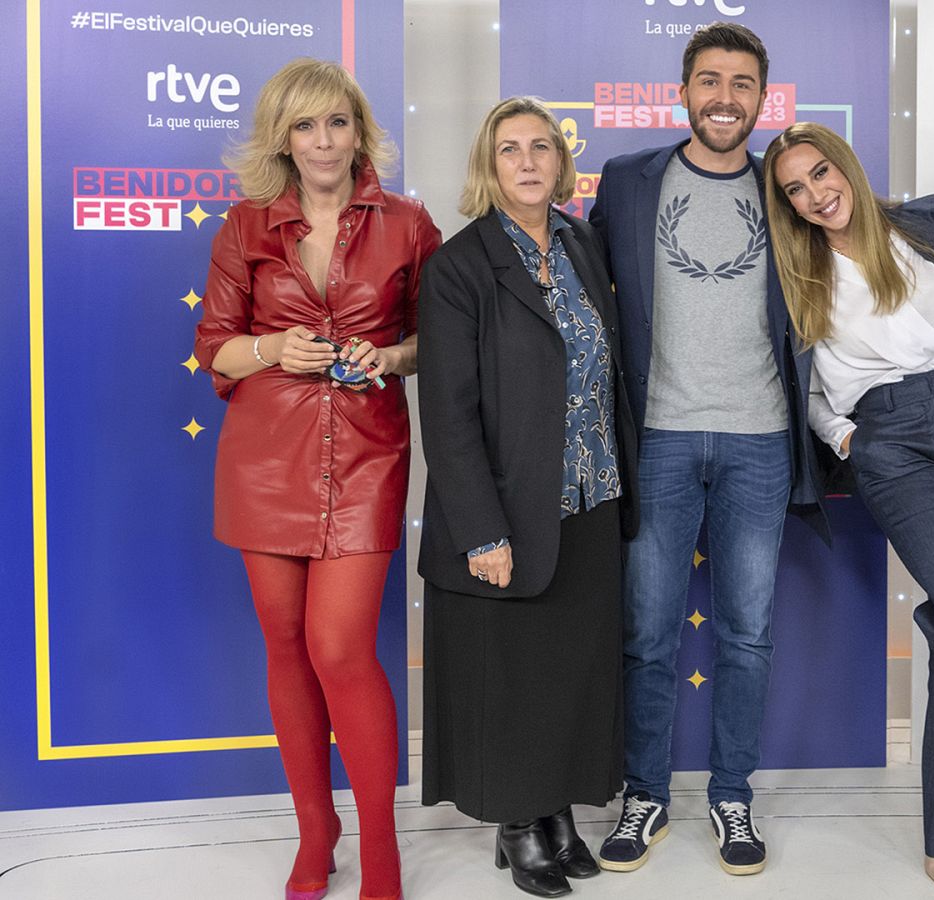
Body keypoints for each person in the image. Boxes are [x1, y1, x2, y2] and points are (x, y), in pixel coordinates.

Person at [193, 58, 439, 900]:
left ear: (359, 130)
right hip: (265, 459)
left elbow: (439, 339)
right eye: (305, 125)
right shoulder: (244, 225)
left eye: (337, 121)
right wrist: (272, 347)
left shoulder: (409, 224)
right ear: (283, 138)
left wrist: (391, 356)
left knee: (340, 647)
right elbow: (214, 347)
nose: (324, 140)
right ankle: (314, 830)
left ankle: (381, 849)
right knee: (287, 645)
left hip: (367, 455)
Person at [586, 21, 826, 878]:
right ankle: (644, 793)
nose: (726, 98)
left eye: (742, 84)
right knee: (646, 632)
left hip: (762, 440)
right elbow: (582, 292)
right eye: (711, 81)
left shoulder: (788, 189)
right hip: (657, 438)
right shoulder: (627, 181)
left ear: (764, 99)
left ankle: (732, 795)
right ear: (684, 90)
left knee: (747, 635)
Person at [764, 122, 934, 887]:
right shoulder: (794, 273)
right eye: (796, 189)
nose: (816, 195)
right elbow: (806, 387)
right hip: (889, 439)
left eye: (821, 173)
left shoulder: (930, 220)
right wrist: (848, 439)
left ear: (844, 164)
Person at [415, 96, 638, 899]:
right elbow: (447, 414)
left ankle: (556, 812)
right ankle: (517, 825)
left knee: (568, 672)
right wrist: (481, 530)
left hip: (591, 496)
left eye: (541, 146)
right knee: (509, 675)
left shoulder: (581, 244)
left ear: (561, 160)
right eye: (510, 149)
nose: (529, 161)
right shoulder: (459, 267)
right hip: (507, 509)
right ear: (489, 165)